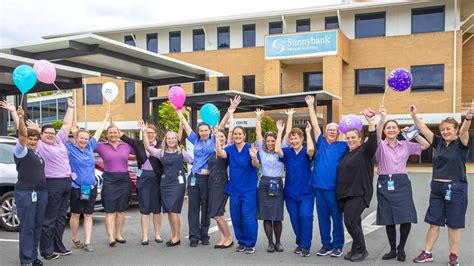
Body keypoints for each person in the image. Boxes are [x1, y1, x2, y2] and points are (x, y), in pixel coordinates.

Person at [411, 102, 472, 266]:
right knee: (434, 223)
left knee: (453, 225)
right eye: (443, 129)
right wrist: (414, 115)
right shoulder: (438, 142)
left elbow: (466, 130)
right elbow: (424, 129)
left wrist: (468, 117)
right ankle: (428, 253)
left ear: (455, 130)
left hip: (456, 188)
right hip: (436, 189)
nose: (445, 131)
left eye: (449, 129)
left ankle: (453, 256)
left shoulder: (461, 143)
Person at [176, 96, 240, 247]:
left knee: (205, 208)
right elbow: (185, 125)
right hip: (194, 178)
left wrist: (230, 111)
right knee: (193, 209)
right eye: (201, 131)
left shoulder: (214, 139)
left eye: (205, 130)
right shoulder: (195, 140)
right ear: (198, 132)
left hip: (207, 179)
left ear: (209, 131)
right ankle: (193, 237)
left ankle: (204, 235)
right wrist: (179, 111)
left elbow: (223, 125)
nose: (203, 133)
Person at [375, 105, 430, 262]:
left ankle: (401, 248)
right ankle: (392, 249)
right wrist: (383, 118)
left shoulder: (405, 144)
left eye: (394, 128)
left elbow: (425, 145)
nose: (391, 130)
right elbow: (377, 135)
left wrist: (412, 134)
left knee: (405, 217)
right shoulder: (380, 145)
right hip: (385, 182)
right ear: (385, 131)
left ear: (398, 130)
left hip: (402, 183)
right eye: (388, 128)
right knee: (388, 218)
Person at [25, 98, 75, 260]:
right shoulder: (40, 145)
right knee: (50, 219)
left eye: (52, 133)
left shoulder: (59, 141)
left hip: (66, 182)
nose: (51, 136)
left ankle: (58, 246)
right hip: (52, 183)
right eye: (47, 133)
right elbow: (28, 135)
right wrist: (34, 129)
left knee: (61, 218)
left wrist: (71, 108)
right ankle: (46, 251)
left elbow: (66, 125)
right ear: (41, 135)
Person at [1, 102, 47, 266]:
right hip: (26, 192)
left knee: (37, 226)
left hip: (41, 192)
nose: (33, 141)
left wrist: (17, 114)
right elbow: (21, 134)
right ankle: (26, 260)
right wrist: (19, 116)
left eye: (35, 139)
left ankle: (33, 257)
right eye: (30, 139)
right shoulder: (21, 151)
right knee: (27, 227)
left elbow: (32, 134)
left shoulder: (37, 151)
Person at [305, 95, 348, 258]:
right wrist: (310, 105)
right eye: (329, 130)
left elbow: (357, 143)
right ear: (326, 132)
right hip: (319, 187)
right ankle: (326, 245)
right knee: (323, 219)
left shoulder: (343, 146)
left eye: (334, 130)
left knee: (336, 218)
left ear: (338, 133)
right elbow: (315, 124)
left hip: (334, 189)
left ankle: (338, 245)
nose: (331, 132)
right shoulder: (321, 142)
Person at [141, 123, 194, 247]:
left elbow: (192, 160)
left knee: (173, 210)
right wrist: (144, 132)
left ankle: (176, 237)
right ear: (166, 140)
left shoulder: (182, 152)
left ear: (176, 140)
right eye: (169, 138)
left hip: (178, 184)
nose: (171, 140)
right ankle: (174, 235)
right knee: (170, 211)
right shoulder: (161, 152)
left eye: (173, 138)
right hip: (165, 184)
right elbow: (148, 148)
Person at [336, 111, 376, 262]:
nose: (350, 140)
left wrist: (370, 121)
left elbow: (372, 141)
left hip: (359, 193)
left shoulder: (365, 151)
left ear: (360, 138)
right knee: (356, 222)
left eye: (354, 137)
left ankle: (362, 250)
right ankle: (356, 249)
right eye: (348, 138)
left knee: (350, 222)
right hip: (346, 194)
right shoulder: (348, 152)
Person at [66, 113, 109, 252]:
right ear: (75, 138)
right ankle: (75, 237)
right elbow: (61, 136)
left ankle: (88, 242)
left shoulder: (90, 146)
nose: (84, 140)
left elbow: (98, 132)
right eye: (81, 138)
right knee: (76, 214)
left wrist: (104, 119)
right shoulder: (70, 148)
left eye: (86, 138)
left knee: (89, 214)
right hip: (76, 187)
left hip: (90, 187)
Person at [254, 108, 293, 253]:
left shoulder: (281, 148)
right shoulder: (261, 150)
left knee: (277, 216)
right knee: (266, 216)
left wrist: (289, 117)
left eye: (273, 140)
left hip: (277, 183)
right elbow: (258, 133)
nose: (270, 143)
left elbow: (287, 134)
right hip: (264, 184)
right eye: (268, 141)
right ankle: (270, 243)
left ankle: (278, 242)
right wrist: (258, 117)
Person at [215, 126, 259, 254]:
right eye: (235, 134)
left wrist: (253, 157)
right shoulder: (230, 149)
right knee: (236, 217)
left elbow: (256, 165)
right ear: (232, 136)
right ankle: (241, 241)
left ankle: (250, 243)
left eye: (240, 134)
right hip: (234, 188)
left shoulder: (250, 148)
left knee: (248, 217)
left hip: (248, 189)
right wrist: (217, 138)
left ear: (244, 135)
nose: (237, 136)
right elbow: (220, 153)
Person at [119, 123, 164, 245]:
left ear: (156, 134)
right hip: (143, 178)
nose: (150, 134)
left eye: (152, 132)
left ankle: (157, 234)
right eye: (147, 132)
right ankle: (145, 236)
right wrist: (110, 122)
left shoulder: (161, 144)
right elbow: (123, 137)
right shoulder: (139, 143)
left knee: (156, 209)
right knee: (144, 208)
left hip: (157, 178)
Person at [275, 119, 315, 257]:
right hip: (290, 193)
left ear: (301, 139)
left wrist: (308, 132)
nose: (294, 141)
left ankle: (305, 246)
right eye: (292, 139)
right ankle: (300, 242)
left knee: (305, 216)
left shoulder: (306, 151)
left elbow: (311, 150)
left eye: (296, 138)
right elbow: (277, 150)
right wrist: (280, 131)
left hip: (306, 192)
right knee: (295, 219)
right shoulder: (287, 151)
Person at [94, 121, 134, 247]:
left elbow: (139, 148)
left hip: (124, 179)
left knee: (121, 210)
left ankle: (119, 235)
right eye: (110, 132)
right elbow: (89, 143)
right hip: (109, 179)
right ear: (107, 134)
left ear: (119, 133)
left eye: (115, 132)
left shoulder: (126, 146)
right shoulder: (101, 146)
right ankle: (111, 237)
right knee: (110, 211)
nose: (112, 134)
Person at [208, 128, 233, 249]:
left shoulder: (225, 151)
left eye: (222, 136)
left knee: (218, 213)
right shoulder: (212, 152)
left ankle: (229, 238)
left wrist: (230, 113)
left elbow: (220, 150)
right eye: (218, 136)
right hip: (212, 183)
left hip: (221, 183)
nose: (220, 138)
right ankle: (222, 238)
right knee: (217, 213)